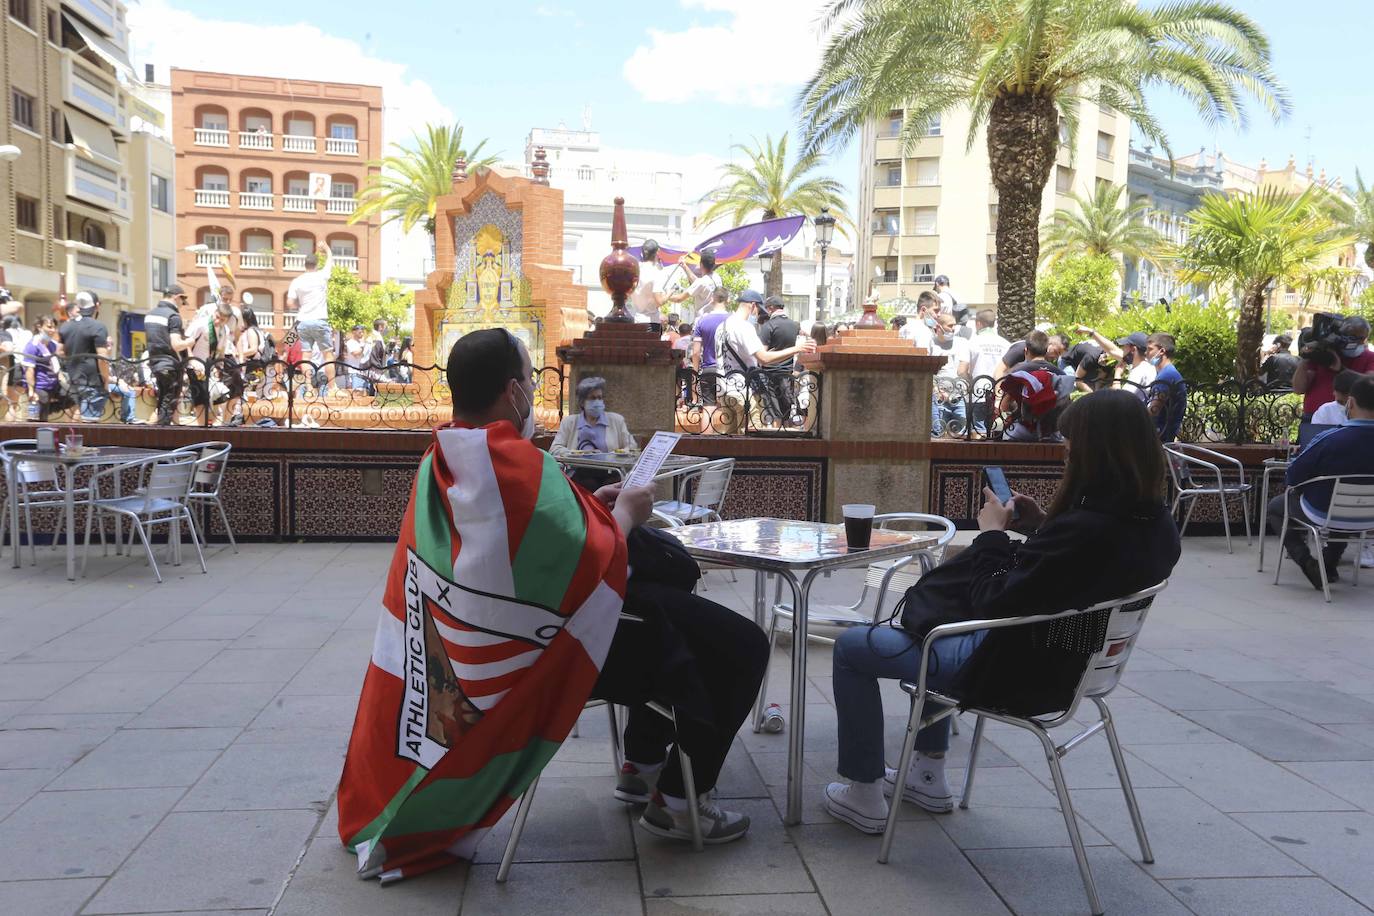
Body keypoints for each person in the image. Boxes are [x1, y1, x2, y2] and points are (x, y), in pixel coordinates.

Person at [337, 330, 768, 876]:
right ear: (515, 391)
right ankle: (680, 804)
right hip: (549, 658)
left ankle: (642, 762)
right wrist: (630, 511)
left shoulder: (445, 454)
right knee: (738, 645)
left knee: (668, 609)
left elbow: (535, 535)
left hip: (496, 644)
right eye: (531, 380)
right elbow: (587, 554)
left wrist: (591, 505)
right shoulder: (509, 461)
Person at [822, 389, 1181, 832]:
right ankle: (927, 775)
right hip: (1073, 665)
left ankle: (863, 793)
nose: (1065, 457)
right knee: (939, 624)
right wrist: (1041, 526)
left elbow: (991, 599)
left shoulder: (1086, 529)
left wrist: (991, 534)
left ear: (1096, 453)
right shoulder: (1156, 526)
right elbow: (1076, 570)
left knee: (856, 647)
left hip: (1014, 670)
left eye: (1071, 448)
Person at [1268, 375, 1374, 586]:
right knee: (1339, 506)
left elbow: (1294, 476)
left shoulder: (1328, 439)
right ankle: (1328, 564)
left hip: (1324, 513)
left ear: (1350, 403)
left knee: (1276, 507)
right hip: (1369, 517)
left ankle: (1306, 561)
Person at [715, 289, 816, 434]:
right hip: (744, 391)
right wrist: (797, 348)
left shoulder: (721, 327)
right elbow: (764, 358)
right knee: (750, 441)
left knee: (730, 440)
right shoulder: (744, 327)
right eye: (758, 310)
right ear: (753, 305)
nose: (757, 314)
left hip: (724, 389)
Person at [1292, 317, 1374, 421]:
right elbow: (1298, 389)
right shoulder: (1322, 353)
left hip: (1349, 421)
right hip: (1314, 418)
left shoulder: (1370, 357)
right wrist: (1306, 359)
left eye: (1361, 338)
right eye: (1352, 336)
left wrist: (1340, 368)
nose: (1358, 342)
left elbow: (1370, 385)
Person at [287, 243, 336, 393]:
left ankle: (308, 387)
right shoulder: (321, 275)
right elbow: (330, 261)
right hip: (319, 320)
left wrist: (301, 305)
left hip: (303, 321)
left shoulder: (297, 281)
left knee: (306, 356)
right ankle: (332, 387)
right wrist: (326, 249)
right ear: (316, 264)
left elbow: (290, 303)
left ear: (305, 265)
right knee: (328, 354)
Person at [59, 292, 111, 422]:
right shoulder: (98, 327)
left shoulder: (65, 327)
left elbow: (59, 352)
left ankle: (70, 441)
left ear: (78, 306)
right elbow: (102, 358)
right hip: (92, 380)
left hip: (72, 378)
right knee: (89, 424)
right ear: (97, 306)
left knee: (75, 415)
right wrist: (106, 380)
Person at [144, 286, 191, 425]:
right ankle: (162, 434)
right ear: (176, 297)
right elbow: (176, 344)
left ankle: (159, 430)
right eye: (182, 301)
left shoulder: (150, 314)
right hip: (171, 364)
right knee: (169, 401)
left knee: (163, 399)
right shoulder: (173, 316)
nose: (182, 305)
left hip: (155, 363)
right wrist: (189, 341)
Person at [758, 295, 802, 423]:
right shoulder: (795, 325)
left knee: (772, 410)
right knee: (786, 410)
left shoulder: (768, 326)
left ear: (771, 308)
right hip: (788, 374)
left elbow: (762, 352)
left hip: (769, 374)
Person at [967, 310, 1010, 437]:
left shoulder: (973, 342)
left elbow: (962, 370)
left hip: (977, 392)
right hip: (999, 394)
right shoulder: (1005, 344)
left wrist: (969, 381)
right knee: (996, 429)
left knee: (978, 431)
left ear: (978, 323)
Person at [929, 312, 971, 437]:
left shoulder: (961, 342)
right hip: (939, 397)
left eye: (954, 326)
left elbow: (963, 369)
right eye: (950, 325)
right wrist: (937, 390)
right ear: (938, 327)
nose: (953, 329)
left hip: (958, 397)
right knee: (938, 432)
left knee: (961, 432)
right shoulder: (931, 343)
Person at [23, 316, 71, 421]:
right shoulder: (32, 345)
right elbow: (29, 369)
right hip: (40, 386)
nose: (52, 330)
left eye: (54, 327)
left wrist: (63, 380)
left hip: (54, 384)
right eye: (49, 327)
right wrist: (31, 390)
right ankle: (41, 414)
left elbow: (55, 364)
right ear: (39, 327)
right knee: (41, 416)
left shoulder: (53, 345)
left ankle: (48, 409)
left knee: (73, 396)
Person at [690, 286, 729, 406]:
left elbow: (696, 352)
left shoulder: (701, 321)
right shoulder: (734, 320)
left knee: (708, 408)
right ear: (728, 300)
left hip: (708, 369)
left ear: (712, 299)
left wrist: (695, 374)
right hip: (728, 371)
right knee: (728, 409)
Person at [1145, 333, 1186, 443]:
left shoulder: (1167, 376)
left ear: (1162, 351)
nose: (1146, 353)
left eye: (1149, 349)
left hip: (1160, 438)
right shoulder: (1167, 373)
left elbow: (1153, 409)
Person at [670, 250, 719, 317]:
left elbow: (679, 299)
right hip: (715, 318)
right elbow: (697, 283)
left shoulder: (701, 282)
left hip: (703, 320)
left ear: (701, 264)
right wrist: (684, 266)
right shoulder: (717, 278)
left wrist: (665, 296)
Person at [631, 239, 667, 324]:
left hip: (636, 318)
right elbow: (660, 301)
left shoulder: (635, 269)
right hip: (651, 321)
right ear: (657, 252)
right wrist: (670, 293)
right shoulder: (655, 272)